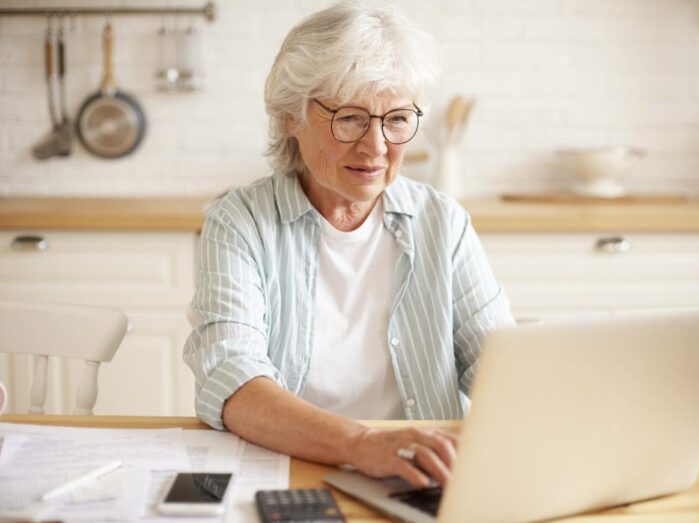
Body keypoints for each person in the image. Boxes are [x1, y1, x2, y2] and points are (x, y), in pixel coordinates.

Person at [183, 0, 512, 489]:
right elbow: (232, 382)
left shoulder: (442, 222)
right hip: (292, 472)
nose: (376, 146)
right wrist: (361, 445)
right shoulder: (240, 222)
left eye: (397, 119)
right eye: (350, 118)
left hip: (422, 480)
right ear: (291, 116)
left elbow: (499, 367)